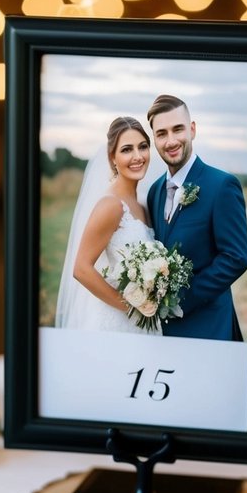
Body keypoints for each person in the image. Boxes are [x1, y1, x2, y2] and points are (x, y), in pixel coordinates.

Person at [146, 93, 247, 341]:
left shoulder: (222, 185)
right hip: (165, 334)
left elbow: (236, 258)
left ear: (192, 130)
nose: (171, 141)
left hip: (210, 328)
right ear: (154, 139)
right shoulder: (154, 191)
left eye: (177, 129)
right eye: (161, 133)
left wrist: (179, 300)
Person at [55, 116, 156, 333]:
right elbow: (81, 269)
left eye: (143, 147)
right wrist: (130, 307)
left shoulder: (142, 203)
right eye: (127, 150)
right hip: (118, 323)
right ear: (112, 158)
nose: (138, 156)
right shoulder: (111, 205)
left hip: (145, 319)